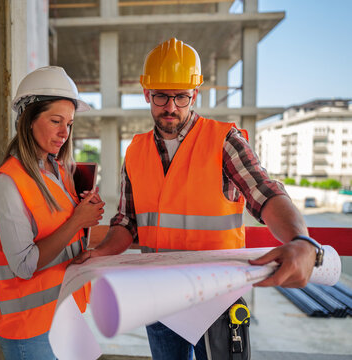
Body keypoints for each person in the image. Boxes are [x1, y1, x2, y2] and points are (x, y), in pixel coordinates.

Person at [74, 38, 324, 360]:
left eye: (181, 96)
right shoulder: (135, 151)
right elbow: (127, 221)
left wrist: (300, 240)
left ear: (195, 94)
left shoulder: (223, 141)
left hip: (216, 295)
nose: (171, 107)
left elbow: (265, 193)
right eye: (162, 96)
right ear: (147, 93)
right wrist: (101, 252)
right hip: (159, 293)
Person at [0, 66, 105, 360]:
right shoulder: (7, 184)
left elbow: (63, 234)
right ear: (28, 120)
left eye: (70, 123)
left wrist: (85, 212)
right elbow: (24, 264)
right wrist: (77, 221)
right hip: (31, 332)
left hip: (65, 317)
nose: (65, 132)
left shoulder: (57, 171)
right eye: (55, 121)